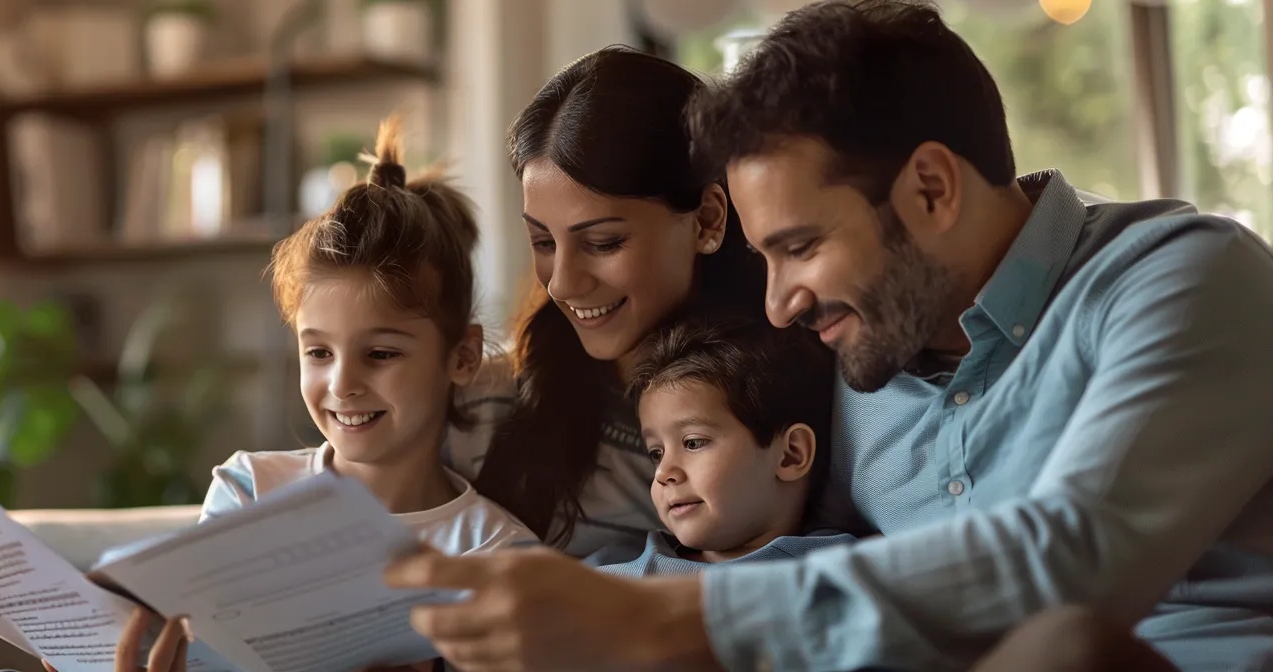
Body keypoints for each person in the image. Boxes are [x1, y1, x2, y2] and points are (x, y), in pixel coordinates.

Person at [385, 1, 1273, 670]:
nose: (779, 304)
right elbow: (776, 557)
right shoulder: (856, 366)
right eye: (765, 257)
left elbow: (1079, 558)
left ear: (931, 188)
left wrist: (654, 622)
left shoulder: (1185, 278)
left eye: (801, 247)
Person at [47, 115, 533, 672]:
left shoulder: (492, 552)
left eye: (381, 354)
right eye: (318, 353)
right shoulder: (250, 490)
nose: (342, 385)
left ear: (463, 357)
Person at [449, 45, 767, 558]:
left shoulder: (794, 406)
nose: (563, 285)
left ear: (707, 220)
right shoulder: (480, 409)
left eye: (603, 243)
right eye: (544, 243)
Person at [585, 309, 856, 577]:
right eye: (656, 453)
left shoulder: (842, 571)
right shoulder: (609, 569)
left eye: (693, 443)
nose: (662, 473)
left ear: (790, 455)